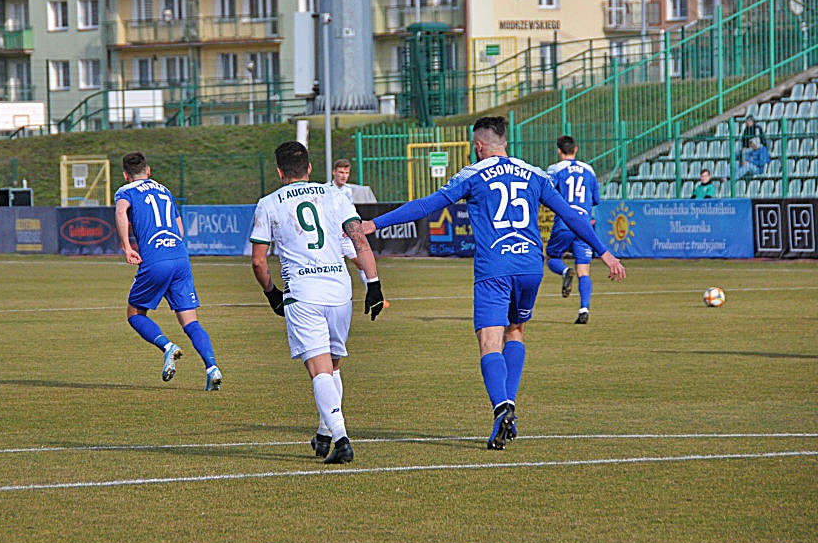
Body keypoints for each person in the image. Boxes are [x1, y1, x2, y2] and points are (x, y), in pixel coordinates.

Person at [360, 117, 625, 451]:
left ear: (479, 146)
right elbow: (572, 215)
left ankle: (502, 407)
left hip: (494, 266)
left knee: (489, 341)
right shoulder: (534, 173)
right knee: (516, 331)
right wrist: (605, 253)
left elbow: (427, 206)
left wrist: (375, 223)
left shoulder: (472, 174)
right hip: (531, 265)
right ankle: (508, 407)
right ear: (506, 143)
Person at [250, 141, 385, 464]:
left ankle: (341, 438)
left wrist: (272, 294)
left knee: (319, 368)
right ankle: (325, 431)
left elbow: (258, 262)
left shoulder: (268, 203)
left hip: (303, 292)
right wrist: (375, 284)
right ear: (310, 169)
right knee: (334, 365)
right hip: (340, 291)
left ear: (280, 172)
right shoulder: (335, 195)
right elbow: (358, 238)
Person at [114, 151, 222, 390]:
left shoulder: (125, 191)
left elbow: (121, 211)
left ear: (125, 175)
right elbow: (180, 230)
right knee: (190, 321)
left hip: (155, 258)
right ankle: (212, 367)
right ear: (148, 170)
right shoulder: (166, 191)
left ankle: (167, 347)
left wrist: (127, 246)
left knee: (135, 314)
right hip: (180, 257)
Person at [544, 136, 601, 325]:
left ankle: (564, 271)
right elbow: (595, 199)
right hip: (584, 224)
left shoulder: (555, 169)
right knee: (584, 271)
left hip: (564, 222)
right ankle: (584, 308)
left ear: (559, 151)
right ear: (575, 149)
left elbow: (546, 192)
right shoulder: (589, 170)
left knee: (551, 257)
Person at [328, 159, 370, 287]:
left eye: (346, 173)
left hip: (345, 236)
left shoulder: (348, 190)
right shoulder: (326, 189)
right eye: (341, 172)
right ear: (333, 172)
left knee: (361, 263)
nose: (344, 176)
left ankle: (373, 295)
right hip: (330, 236)